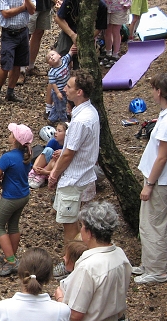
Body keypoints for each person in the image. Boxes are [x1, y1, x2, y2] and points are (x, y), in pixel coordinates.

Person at [132, 73, 167, 284]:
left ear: (159, 92)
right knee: (149, 222)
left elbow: (162, 156)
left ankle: (158, 270)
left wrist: (150, 184)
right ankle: (149, 263)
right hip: (163, 178)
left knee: (153, 224)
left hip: (161, 180)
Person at [48, 71, 100, 246]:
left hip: (74, 180)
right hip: (84, 176)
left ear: (79, 92)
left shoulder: (81, 120)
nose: (64, 89)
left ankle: (71, 263)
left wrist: (54, 173)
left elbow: (70, 153)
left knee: (70, 224)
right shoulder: (90, 112)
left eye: (69, 86)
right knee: (80, 222)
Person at [0, 123, 33, 276]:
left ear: (15, 139)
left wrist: (1, 184)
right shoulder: (27, 156)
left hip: (10, 198)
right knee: (13, 225)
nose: (9, 135)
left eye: (11, 134)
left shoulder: (7, 157)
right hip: (24, 195)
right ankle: (11, 256)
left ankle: (11, 261)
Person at [0, 0, 36, 105]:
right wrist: (23, 8)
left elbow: (32, 10)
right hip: (9, 33)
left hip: (23, 32)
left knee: (18, 64)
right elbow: (6, 13)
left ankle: (10, 92)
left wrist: (26, 3)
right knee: (6, 64)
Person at [54, 0, 108, 68]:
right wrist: (72, 35)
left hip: (88, 37)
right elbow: (58, 18)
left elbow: (99, 27)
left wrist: (83, 40)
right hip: (68, 32)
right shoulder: (70, 1)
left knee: (84, 67)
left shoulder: (101, 5)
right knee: (59, 62)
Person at [29, 122, 66, 189]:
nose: (55, 132)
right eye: (56, 130)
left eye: (59, 131)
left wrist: (46, 172)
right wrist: (34, 166)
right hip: (46, 165)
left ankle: (41, 177)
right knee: (48, 150)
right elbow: (42, 154)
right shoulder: (53, 141)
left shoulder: (68, 148)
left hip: (54, 170)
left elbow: (63, 168)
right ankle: (34, 173)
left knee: (56, 158)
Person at [45, 48, 76, 123]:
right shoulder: (52, 72)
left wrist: (72, 48)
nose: (51, 57)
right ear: (50, 64)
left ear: (59, 55)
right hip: (58, 92)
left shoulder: (64, 60)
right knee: (61, 107)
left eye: (52, 55)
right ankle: (64, 121)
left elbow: (70, 53)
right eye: (49, 58)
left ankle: (51, 119)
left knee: (57, 106)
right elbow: (53, 84)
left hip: (66, 89)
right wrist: (58, 93)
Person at [101, 0, 131, 68]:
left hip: (119, 7)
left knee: (116, 31)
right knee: (107, 31)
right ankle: (108, 53)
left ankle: (115, 55)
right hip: (107, 6)